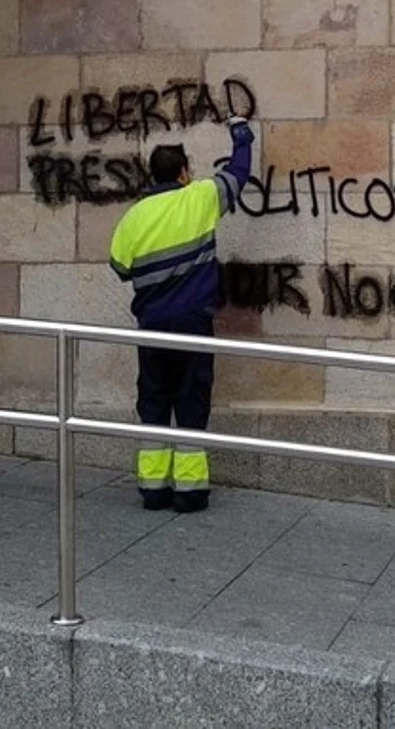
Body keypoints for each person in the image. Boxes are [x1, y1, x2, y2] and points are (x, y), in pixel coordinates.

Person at [108, 117, 254, 513]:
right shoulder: (201, 197)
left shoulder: (135, 216)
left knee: (153, 402)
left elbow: (119, 266)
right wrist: (242, 135)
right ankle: (189, 492)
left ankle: (153, 489)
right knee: (191, 403)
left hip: (152, 325)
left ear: (153, 175)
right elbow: (238, 174)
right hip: (192, 324)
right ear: (185, 173)